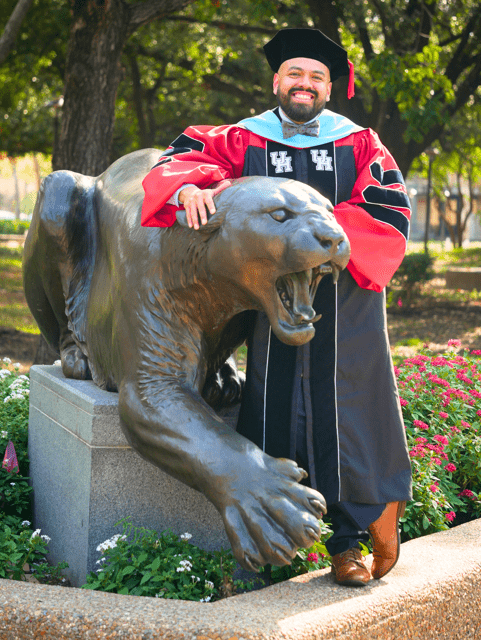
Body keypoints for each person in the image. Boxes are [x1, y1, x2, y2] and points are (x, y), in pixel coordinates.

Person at [141, 28, 412, 587]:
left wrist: (318, 241)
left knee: (346, 413)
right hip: (270, 300)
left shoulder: (360, 143)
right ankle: (269, 550)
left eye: (316, 77)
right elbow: (182, 160)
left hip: (343, 299)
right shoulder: (243, 138)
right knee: (273, 406)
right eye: (295, 74)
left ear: (329, 88)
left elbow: (387, 209)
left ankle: (347, 543)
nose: (304, 84)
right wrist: (193, 188)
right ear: (276, 82)